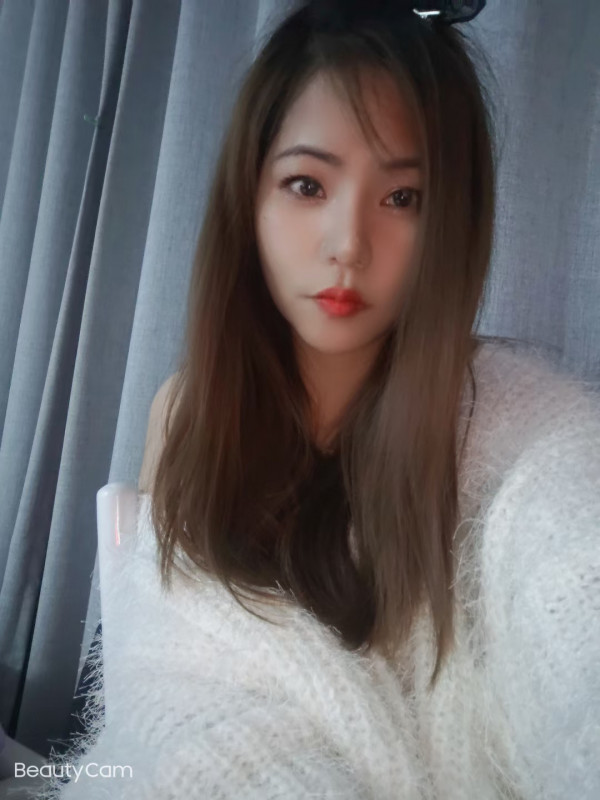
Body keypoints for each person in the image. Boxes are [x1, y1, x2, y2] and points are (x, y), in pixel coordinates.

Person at [36, 0, 600, 798]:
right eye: (308, 184)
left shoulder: (511, 426)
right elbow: (160, 673)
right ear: (249, 198)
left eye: (403, 198)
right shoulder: (189, 412)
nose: (349, 244)